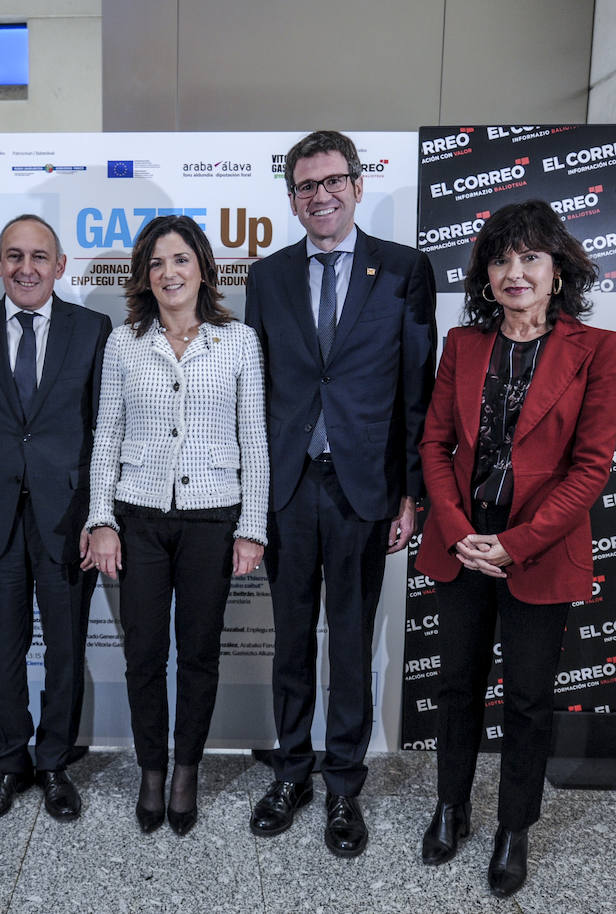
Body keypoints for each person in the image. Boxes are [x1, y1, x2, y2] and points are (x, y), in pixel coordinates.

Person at [416, 199, 616, 898]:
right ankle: (451, 808)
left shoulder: (598, 350)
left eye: (531, 257)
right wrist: (456, 530)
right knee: (456, 689)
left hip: (537, 553)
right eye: (502, 259)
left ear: (557, 271)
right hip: (461, 547)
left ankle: (513, 827)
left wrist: (511, 545)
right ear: (485, 275)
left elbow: (590, 468)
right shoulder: (463, 345)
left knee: (530, 700)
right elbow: (435, 444)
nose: (515, 272)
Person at [244, 130, 437, 857]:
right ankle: (292, 769)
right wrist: (254, 497)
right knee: (290, 641)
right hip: (289, 490)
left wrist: (411, 493)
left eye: (332, 181)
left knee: (352, 647)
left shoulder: (404, 270)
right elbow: (255, 395)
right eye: (305, 186)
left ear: (356, 185)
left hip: (366, 490)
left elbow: (417, 390)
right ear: (291, 199)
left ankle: (343, 789)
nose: (320, 195)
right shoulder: (268, 277)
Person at [84, 214, 268, 837]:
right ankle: (152, 771)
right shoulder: (123, 342)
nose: (169, 273)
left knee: (198, 654)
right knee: (142, 655)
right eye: (157, 263)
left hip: (213, 519)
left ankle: (186, 769)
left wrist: (253, 526)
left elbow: (255, 440)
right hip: (137, 519)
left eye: (181, 260)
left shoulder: (238, 340)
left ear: (202, 268)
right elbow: (105, 434)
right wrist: (101, 518)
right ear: (145, 274)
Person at [0, 215, 111, 824]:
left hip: (68, 520)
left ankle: (54, 764)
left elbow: (106, 431)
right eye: (14, 255)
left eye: (39, 256)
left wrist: (100, 518)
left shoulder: (93, 330)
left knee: (67, 649)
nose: (26, 267)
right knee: (0, 649)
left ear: (60, 266)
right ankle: (10, 764)